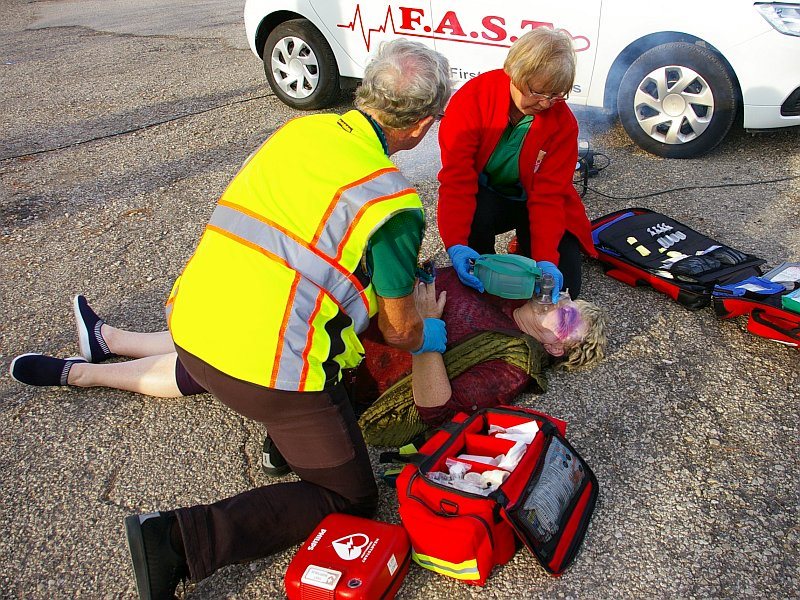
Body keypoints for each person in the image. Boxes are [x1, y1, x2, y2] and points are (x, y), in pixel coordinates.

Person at [12, 39, 451, 600]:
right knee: (351, 499)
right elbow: (398, 330)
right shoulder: (391, 201)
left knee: (298, 347)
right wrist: (426, 332)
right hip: (264, 373)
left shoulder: (299, 132)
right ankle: (179, 540)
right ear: (422, 127)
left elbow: (296, 245)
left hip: (193, 329)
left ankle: (275, 435)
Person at [10, 266, 607, 436]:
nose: (563, 302)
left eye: (568, 316)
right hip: (349, 318)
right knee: (241, 329)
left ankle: (80, 374)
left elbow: (435, 412)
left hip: (351, 372)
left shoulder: (511, 365)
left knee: (219, 364)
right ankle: (109, 339)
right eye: (569, 300)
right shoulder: (511, 295)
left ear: (555, 345)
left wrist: (427, 328)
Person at [437, 27, 596, 301]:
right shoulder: (471, 100)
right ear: (516, 72)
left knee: (567, 287)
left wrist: (546, 258)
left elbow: (549, 196)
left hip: (535, 200)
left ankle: (526, 246)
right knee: (477, 274)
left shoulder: (563, 123)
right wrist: (456, 244)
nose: (546, 103)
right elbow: (457, 180)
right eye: (538, 92)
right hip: (486, 198)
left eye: (556, 95)